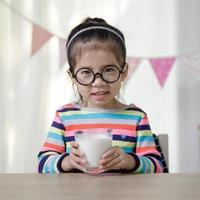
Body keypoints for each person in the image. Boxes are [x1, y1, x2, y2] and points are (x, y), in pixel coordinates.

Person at [38, 17, 163, 173]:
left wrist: (130, 161)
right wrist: (67, 161)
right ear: (72, 76)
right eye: (86, 72)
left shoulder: (136, 117)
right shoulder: (65, 116)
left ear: (124, 72)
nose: (98, 82)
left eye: (109, 70)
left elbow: (157, 167)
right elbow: (42, 164)